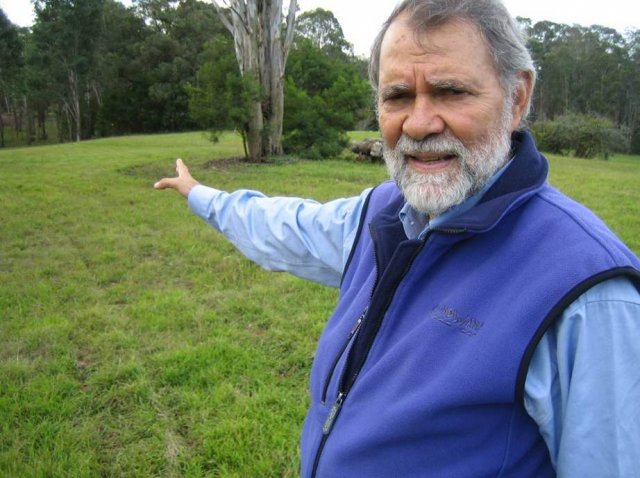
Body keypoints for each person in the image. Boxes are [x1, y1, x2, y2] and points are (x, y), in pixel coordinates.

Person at [155, 0, 640, 476]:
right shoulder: (384, 214)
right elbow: (286, 226)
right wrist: (201, 195)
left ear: (516, 99)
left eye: (451, 92)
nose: (419, 123)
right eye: (398, 96)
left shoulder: (589, 295)